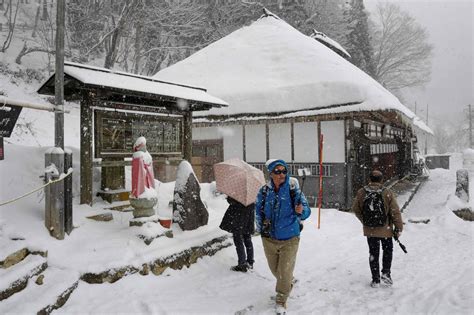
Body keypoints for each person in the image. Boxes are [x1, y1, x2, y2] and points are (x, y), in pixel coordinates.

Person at [255, 159, 311, 314]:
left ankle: (281, 299)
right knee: (275, 270)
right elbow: (258, 211)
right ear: (271, 174)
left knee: (284, 272)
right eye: (277, 171)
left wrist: (301, 211)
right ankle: (287, 281)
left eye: (284, 171)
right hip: (269, 238)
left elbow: (306, 211)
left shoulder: (294, 190)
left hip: (290, 238)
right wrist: (261, 229)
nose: (281, 174)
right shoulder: (264, 191)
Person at [352, 170, 404, 288]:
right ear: (382, 180)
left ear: (369, 179)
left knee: (373, 254)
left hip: (370, 230)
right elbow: (395, 212)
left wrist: (365, 220)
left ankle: (375, 279)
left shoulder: (361, 192)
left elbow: (356, 209)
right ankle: (386, 273)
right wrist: (399, 228)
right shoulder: (387, 192)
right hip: (386, 229)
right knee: (387, 251)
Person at [219, 196, 255, 272]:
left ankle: (242, 264)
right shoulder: (253, 193)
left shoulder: (237, 190)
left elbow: (232, 202)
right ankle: (250, 262)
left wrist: (229, 198)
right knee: (248, 240)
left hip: (238, 219)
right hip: (249, 218)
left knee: (238, 241)